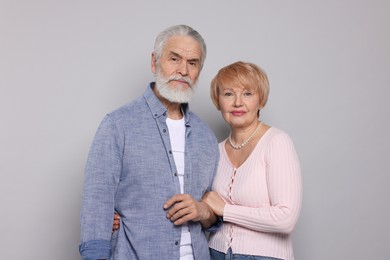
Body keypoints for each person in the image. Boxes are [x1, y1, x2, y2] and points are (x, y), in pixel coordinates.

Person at [79, 24, 220, 260]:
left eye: (192, 63)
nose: (183, 70)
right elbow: (97, 200)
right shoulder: (118, 125)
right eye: (174, 59)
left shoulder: (206, 137)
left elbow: (213, 213)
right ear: (155, 63)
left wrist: (204, 211)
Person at [202, 61, 302, 260]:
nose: (238, 102)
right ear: (218, 101)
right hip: (215, 253)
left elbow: (286, 218)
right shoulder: (215, 151)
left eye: (247, 93)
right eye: (228, 94)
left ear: (261, 101)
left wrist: (225, 210)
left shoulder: (276, 142)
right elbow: (208, 212)